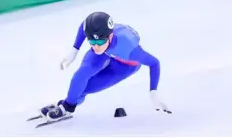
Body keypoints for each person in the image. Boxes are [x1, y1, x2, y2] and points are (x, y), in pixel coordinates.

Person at [40, 11, 171, 122]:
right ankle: (67, 106)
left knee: (87, 88)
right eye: (92, 41)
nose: (96, 46)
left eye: (100, 41)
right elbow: (85, 25)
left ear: (110, 35)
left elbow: (154, 63)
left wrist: (153, 92)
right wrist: (74, 50)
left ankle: (68, 103)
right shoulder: (98, 42)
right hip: (106, 53)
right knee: (81, 75)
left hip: (125, 65)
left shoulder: (129, 48)